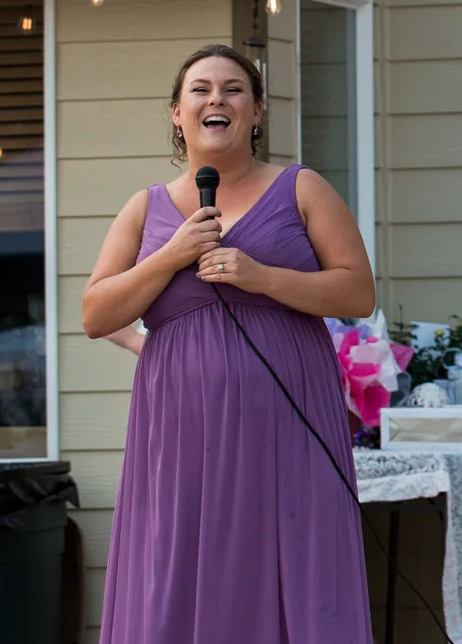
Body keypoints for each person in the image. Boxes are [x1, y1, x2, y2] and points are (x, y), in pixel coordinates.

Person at [82, 43, 376, 644]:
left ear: (258, 112)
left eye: (234, 89)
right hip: (180, 430)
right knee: (178, 561)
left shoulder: (302, 189)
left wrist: (261, 277)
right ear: (176, 113)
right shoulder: (145, 208)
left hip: (288, 420)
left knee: (293, 553)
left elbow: (357, 293)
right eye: (201, 89)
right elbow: (95, 313)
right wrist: (171, 256)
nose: (217, 98)